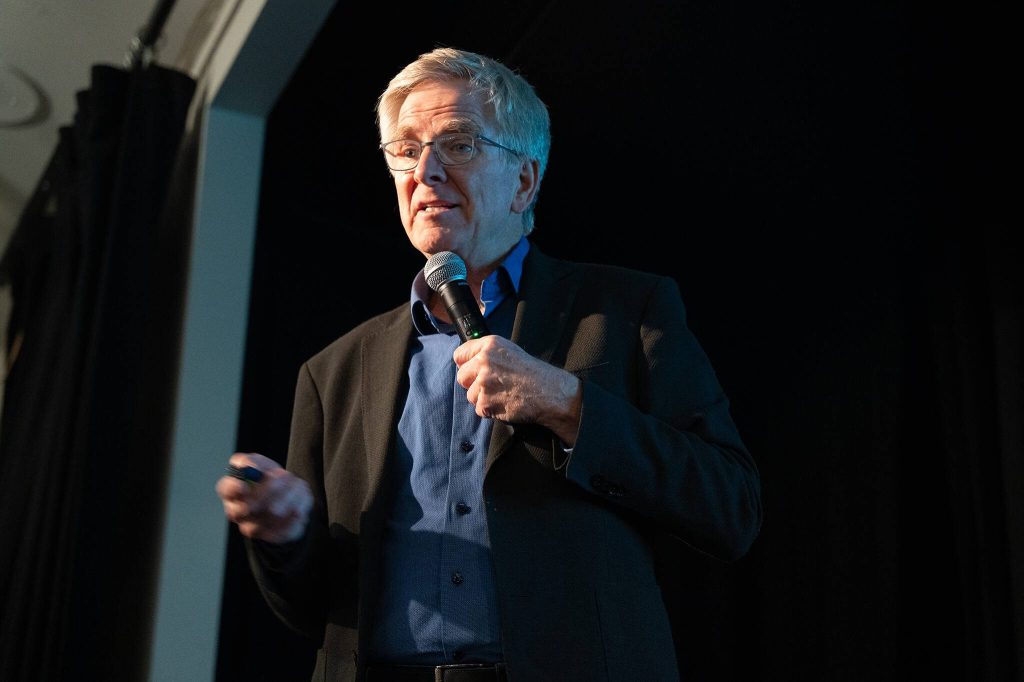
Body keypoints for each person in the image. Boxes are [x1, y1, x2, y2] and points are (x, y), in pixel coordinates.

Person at [216, 46, 762, 682]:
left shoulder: (623, 310)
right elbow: (317, 610)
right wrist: (283, 536)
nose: (425, 171)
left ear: (525, 180)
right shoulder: (334, 370)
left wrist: (568, 404)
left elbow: (731, 506)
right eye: (404, 150)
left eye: (459, 143)